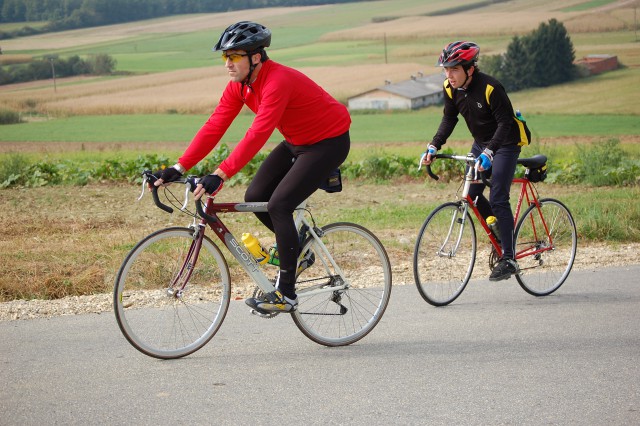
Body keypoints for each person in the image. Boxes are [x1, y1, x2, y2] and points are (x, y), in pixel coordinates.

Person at [152, 21, 351, 312]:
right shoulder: (241, 87)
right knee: (255, 196)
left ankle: (287, 294)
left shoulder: (277, 81)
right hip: (296, 141)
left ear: (255, 57)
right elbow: (215, 125)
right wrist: (179, 167)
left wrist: (220, 174)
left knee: (279, 205)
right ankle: (297, 251)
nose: (227, 64)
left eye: (233, 56)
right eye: (225, 57)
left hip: (328, 142)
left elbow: (258, 133)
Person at [421, 40, 525, 281]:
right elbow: (449, 119)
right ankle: (499, 232)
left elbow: (505, 123)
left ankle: (509, 258)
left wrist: (490, 153)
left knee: (499, 196)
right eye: (446, 69)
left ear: (470, 68)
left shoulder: (491, 87)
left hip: (506, 143)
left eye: (454, 69)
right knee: (473, 194)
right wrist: (434, 145)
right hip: (481, 143)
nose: (449, 75)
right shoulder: (450, 88)